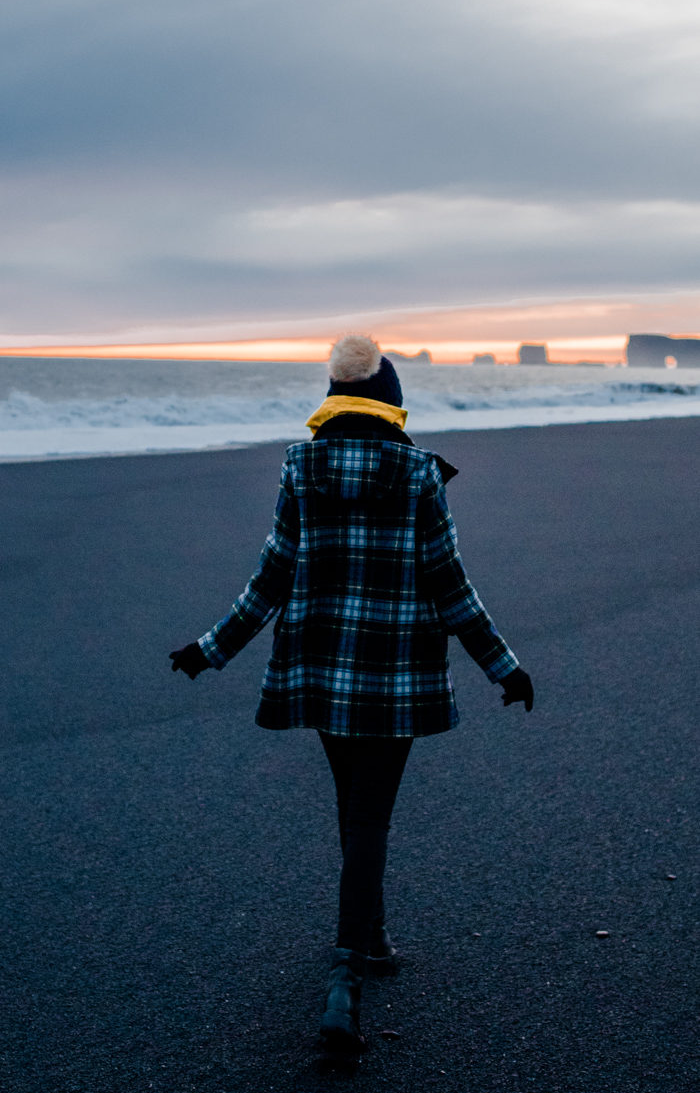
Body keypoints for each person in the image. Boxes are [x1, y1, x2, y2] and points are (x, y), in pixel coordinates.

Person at [169, 335, 534, 1054]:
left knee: (354, 808)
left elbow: (271, 577)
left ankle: (372, 934)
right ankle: (346, 977)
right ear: (392, 407)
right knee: (372, 815)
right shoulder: (419, 475)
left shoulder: (301, 466)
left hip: (325, 672)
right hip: (397, 677)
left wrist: (209, 650)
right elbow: (451, 587)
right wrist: (505, 666)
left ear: (334, 405)